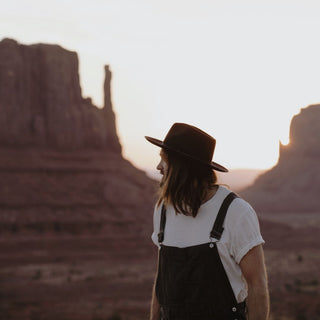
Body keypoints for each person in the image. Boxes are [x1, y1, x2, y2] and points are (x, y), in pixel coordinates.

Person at [145, 123, 269, 320]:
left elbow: (257, 286)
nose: (158, 167)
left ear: (182, 167)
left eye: (164, 160)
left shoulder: (236, 212)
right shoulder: (163, 210)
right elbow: (162, 279)